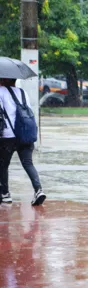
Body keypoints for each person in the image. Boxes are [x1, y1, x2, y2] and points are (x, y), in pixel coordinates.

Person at [0, 78, 46, 206]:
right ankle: (38, 190)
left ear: (3, 80)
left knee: (3, 165)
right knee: (28, 163)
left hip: (7, 136)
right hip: (25, 134)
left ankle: (5, 194)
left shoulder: (1, 91)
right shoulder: (22, 92)